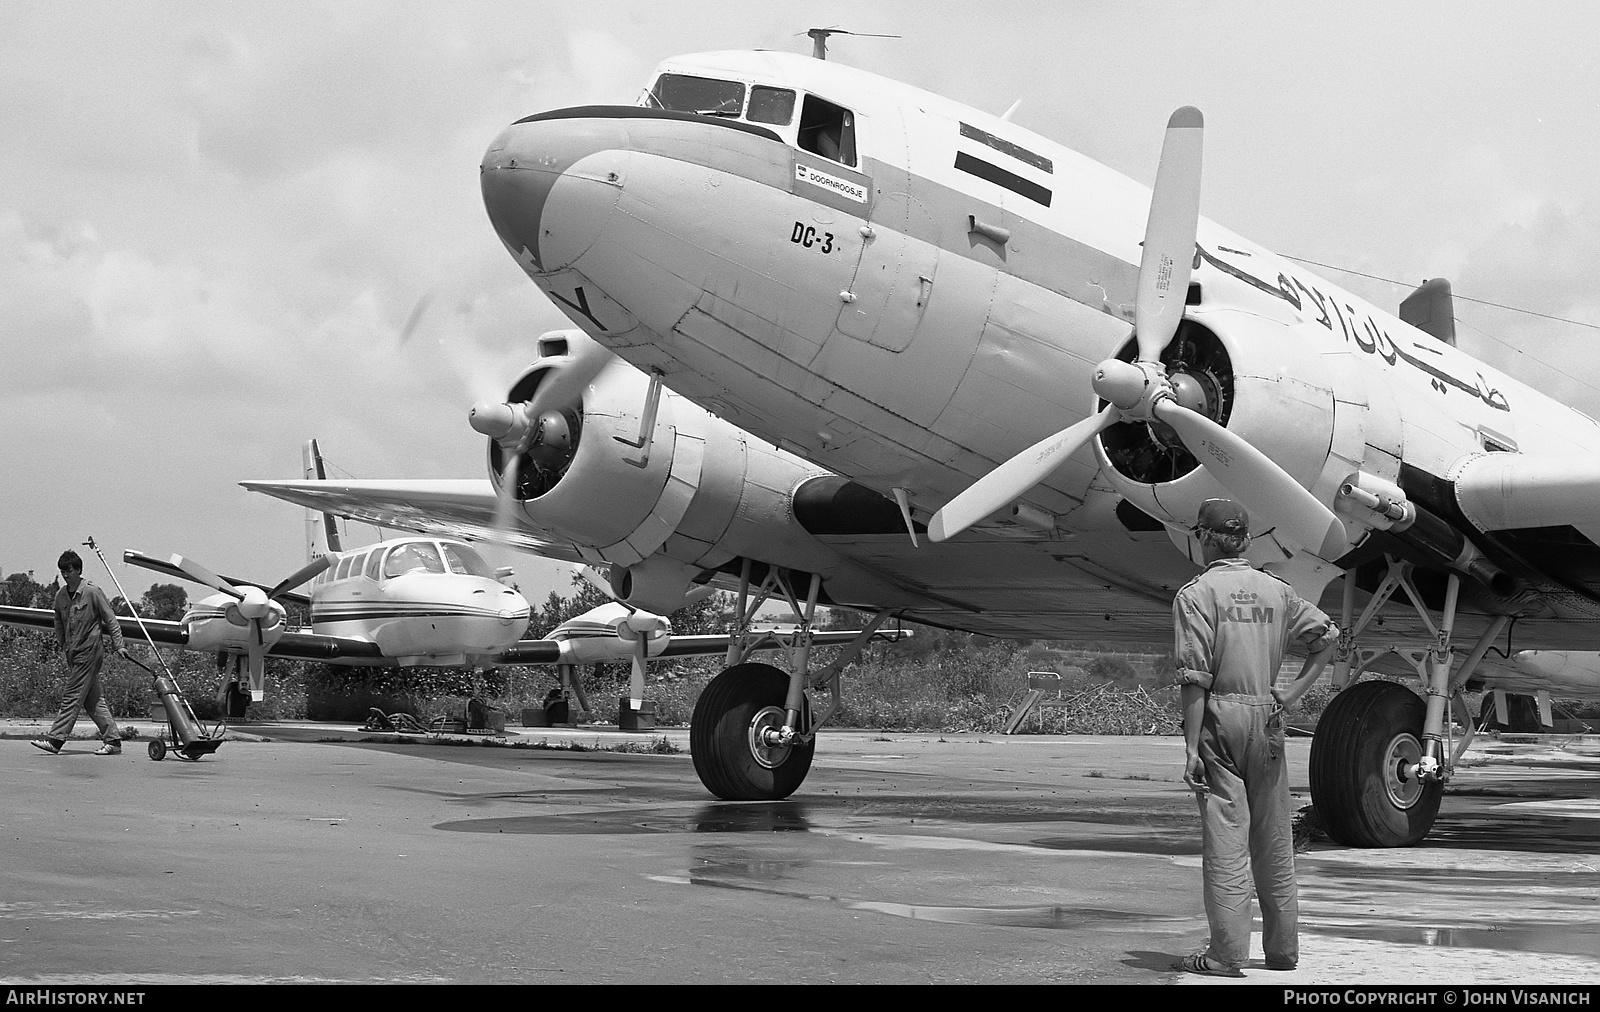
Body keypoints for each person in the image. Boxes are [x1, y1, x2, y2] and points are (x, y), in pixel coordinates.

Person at [1171, 499, 1339, 977]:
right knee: (1273, 837)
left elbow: (1194, 678)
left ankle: (1226, 955)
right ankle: (1283, 952)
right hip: (1266, 716)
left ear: (1204, 537)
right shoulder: (1277, 592)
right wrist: (1291, 695)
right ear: (1246, 540)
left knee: (1227, 838)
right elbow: (1327, 637)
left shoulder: (1196, 595)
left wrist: (1190, 748)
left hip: (1221, 717)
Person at [31, 550, 130, 756]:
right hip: (73, 652)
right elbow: (58, 620)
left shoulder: (92, 591)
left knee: (72, 695)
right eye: (62, 571)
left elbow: (110, 619)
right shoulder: (60, 596)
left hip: (90, 650)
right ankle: (113, 740)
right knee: (91, 699)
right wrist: (62, 644)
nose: (66, 575)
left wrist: (119, 644)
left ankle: (56, 739)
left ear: (78, 570)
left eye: (69, 570)